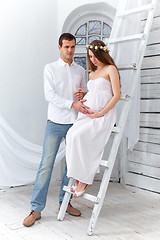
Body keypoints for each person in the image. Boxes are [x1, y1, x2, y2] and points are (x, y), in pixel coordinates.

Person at [23, 33, 89, 227]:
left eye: (73, 47)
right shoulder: (50, 68)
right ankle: (36, 209)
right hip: (55, 122)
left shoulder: (80, 70)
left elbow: (85, 93)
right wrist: (72, 104)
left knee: (72, 166)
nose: (70, 50)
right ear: (59, 47)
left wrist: (82, 94)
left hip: (75, 123)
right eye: (66, 47)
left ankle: (65, 203)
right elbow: (49, 95)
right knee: (46, 165)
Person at [66, 40, 121, 198]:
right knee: (71, 136)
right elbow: (95, 92)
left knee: (80, 136)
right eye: (90, 56)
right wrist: (83, 95)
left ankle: (84, 179)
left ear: (102, 53)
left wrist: (101, 113)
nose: (93, 59)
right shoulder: (91, 73)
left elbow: (116, 95)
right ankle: (77, 176)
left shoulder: (111, 69)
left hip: (102, 115)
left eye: (95, 56)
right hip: (87, 114)